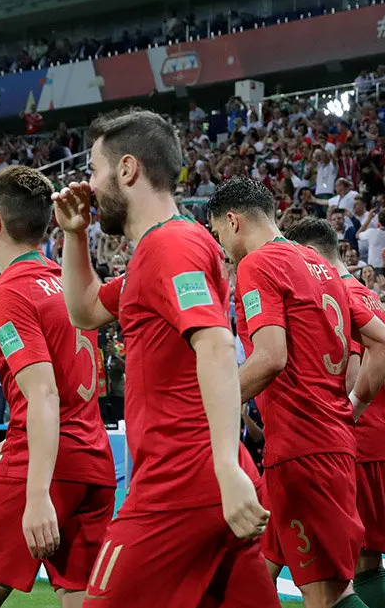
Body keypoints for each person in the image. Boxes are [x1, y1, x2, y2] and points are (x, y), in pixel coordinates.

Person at [50, 109, 277, 607]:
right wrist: (74, 233)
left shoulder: (170, 246)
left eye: (94, 170)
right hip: (204, 479)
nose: (89, 186)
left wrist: (224, 466)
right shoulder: (164, 248)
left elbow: (216, 345)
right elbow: (85, 311)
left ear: (127, 169)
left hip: (179, 484)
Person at [207, 178, 385, 608]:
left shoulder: (258, 265)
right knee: (262, 570)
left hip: (301, 445)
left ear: (233, 221)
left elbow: (270, 357)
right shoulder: (319, 264)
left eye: (217, 233)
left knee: (328, 594)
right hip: (329, 439)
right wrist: (353, 406)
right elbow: (384, 341)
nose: (221, 247)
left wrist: (208, 406)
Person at [0, 166, 116, 608]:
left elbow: (44, 394)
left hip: (41, 468)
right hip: (93, 464)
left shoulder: (10, 291)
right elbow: (64, 396)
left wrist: (38, 494)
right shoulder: (66, 282)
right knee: (82, 599)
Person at [286, 216, 385, 608]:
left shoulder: (336, 296)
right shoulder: (369, 297)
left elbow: (350, 373)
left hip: (355, 440)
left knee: (348, 568)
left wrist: (344, 417)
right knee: (365, 562)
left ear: (311, 255)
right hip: (380, 436)